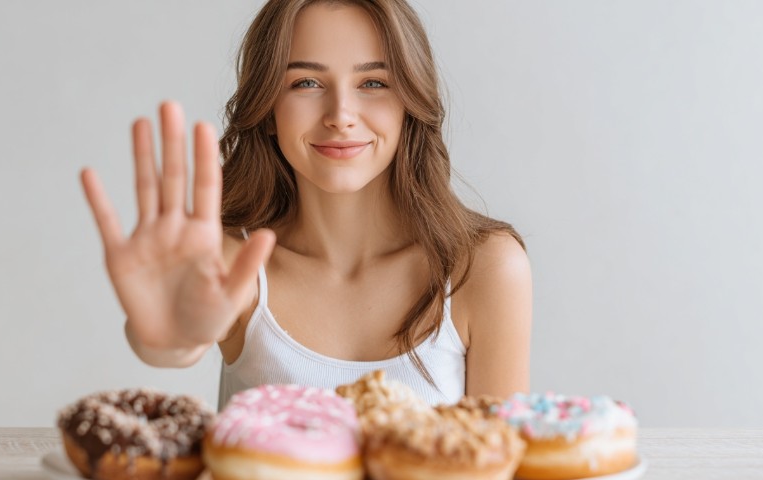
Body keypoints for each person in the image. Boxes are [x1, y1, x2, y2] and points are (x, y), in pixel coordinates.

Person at [79, 0, 531, 409]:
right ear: (269, 108)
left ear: (409, 104)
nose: (340, 113)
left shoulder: (484, 268)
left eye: (373, 82)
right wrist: (168, 337)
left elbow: (503, 476)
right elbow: (171, 342)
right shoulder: (233, 262)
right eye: (306, 82)